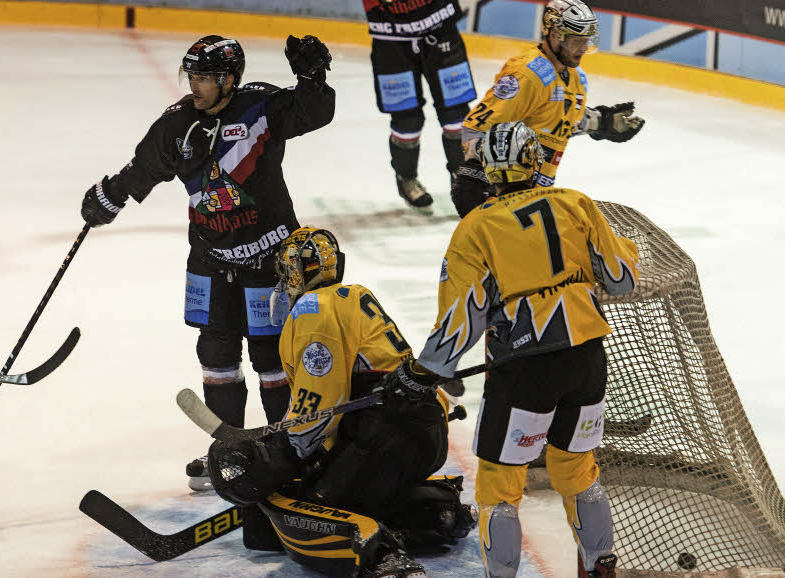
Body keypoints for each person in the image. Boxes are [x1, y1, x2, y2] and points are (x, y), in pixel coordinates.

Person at [380, 121, 639, 577]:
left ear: (488, 171)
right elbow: (621, 277)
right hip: (587, 358)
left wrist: (425, 372)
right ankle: (601, 568)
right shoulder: (575, 203)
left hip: (525, 370)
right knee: (577, 468)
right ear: (533, 160)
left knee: (500, 485)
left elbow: (461, 319)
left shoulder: (476, 227)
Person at [79, 34, 335, 492]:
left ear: (229, 80)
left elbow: (313, 113)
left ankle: (284, 446)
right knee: (216, 356)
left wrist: (312, 78)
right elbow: (144, 167)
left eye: (204, 78)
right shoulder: (177, 124)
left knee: (272, 357)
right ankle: (228, 448)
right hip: (211, 260)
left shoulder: (260, 106)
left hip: (269, 261)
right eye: (191, 77)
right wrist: (110, 196)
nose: (194, 86)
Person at [205, 226, 476, 577]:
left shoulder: (312, 309)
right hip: (420, 433)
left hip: (385, 436)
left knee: (315, 510)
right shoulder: (352, 295)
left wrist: (286, 452)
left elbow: (321, 397)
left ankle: (384, 557)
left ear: (295, 270)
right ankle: (441, 514)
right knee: (347, 488)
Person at [451, 0, 645, 217]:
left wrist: (601, 123)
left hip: (535, 198)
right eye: (576, 40)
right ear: (554, 35)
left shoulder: (576, 77)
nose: (583, 48)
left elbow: (556, 122)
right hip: (502, 197)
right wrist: (474, 174)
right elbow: (476, 127)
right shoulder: (526, 75)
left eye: (587, 39)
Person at [364, 0, 477, 214]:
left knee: (456, 114)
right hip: (390, 36)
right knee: (407, 119)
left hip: (440, 28)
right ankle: (406, 178)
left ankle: (465, 177)